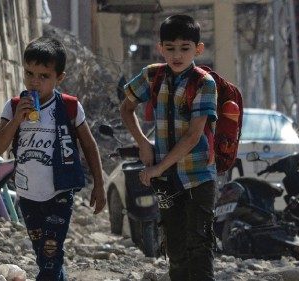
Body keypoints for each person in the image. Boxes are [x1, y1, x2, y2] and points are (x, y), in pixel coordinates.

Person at [0, 36, 106, 281]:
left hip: (59, 192)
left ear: (59, 78)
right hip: (27, 194)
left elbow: (88, 144)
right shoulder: (13, 107)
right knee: (43, 255)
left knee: (51, 257)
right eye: (30, 73)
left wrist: (99, 183)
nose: (35, 82)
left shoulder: (69, 107)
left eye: (44, 76)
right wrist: (16, 120)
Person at [120, 15, 217, 281]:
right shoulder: (152, 75)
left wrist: (157, 167)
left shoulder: (204, 83)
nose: (177, 55)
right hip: (166, 181)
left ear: (198, 49)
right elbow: (126, 108)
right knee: (174, 246)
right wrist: (143, 143)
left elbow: (194, 136)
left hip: (198, 177)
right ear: (160, 48)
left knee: (199, 245)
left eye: (185, 48)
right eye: (170, 48)